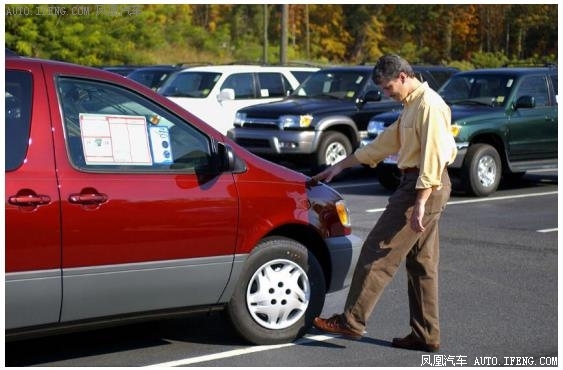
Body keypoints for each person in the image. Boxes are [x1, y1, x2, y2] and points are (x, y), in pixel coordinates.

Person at [311, 54, 457, 352]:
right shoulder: (412, 105)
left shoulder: (430, 105)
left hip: (421, 186)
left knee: (377, 251)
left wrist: (419, 202)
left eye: (389, 87)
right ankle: (426, 334)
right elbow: (385, 143)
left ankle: (351, 321)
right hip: (421, 185)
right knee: (422, 264)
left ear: (403, 76)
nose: (388, 94)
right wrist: (341, 165)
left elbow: (433, 156)